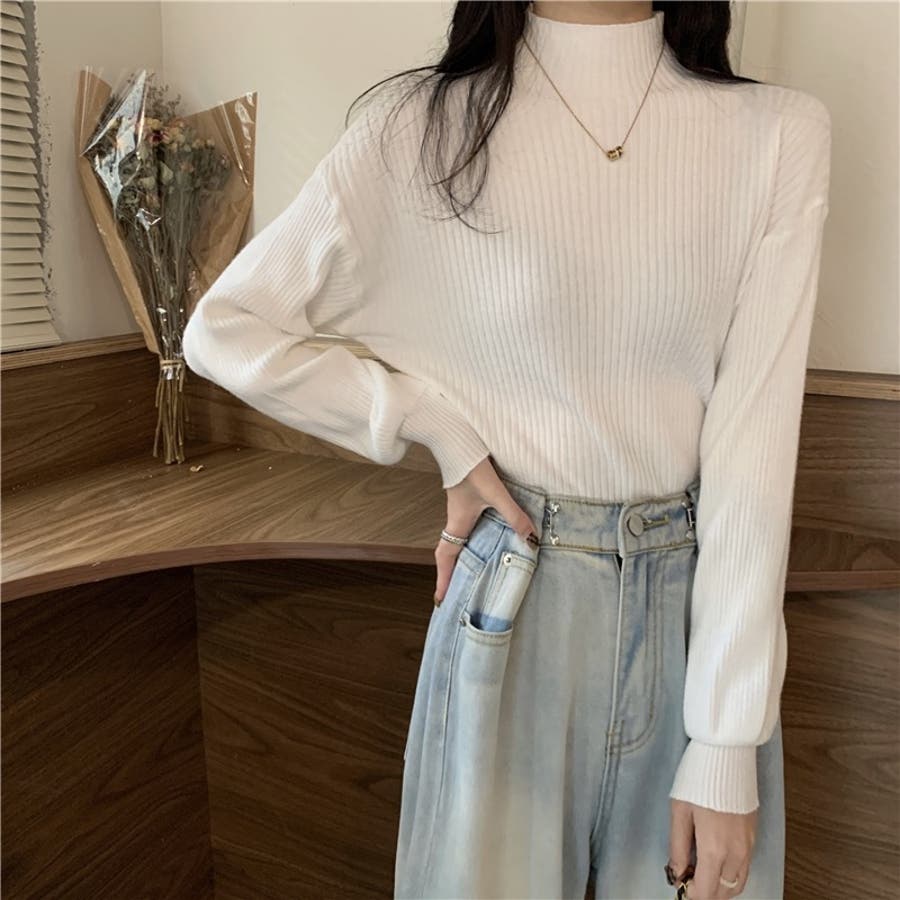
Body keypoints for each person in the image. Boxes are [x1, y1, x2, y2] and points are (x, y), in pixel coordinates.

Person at [181, 1, 832, 897]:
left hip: (698, 621)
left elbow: (755, 442)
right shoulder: (417, 130)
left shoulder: (778, 133)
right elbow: (225, 330)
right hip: (515, 598)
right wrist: (435, 428)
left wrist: (726, 740)